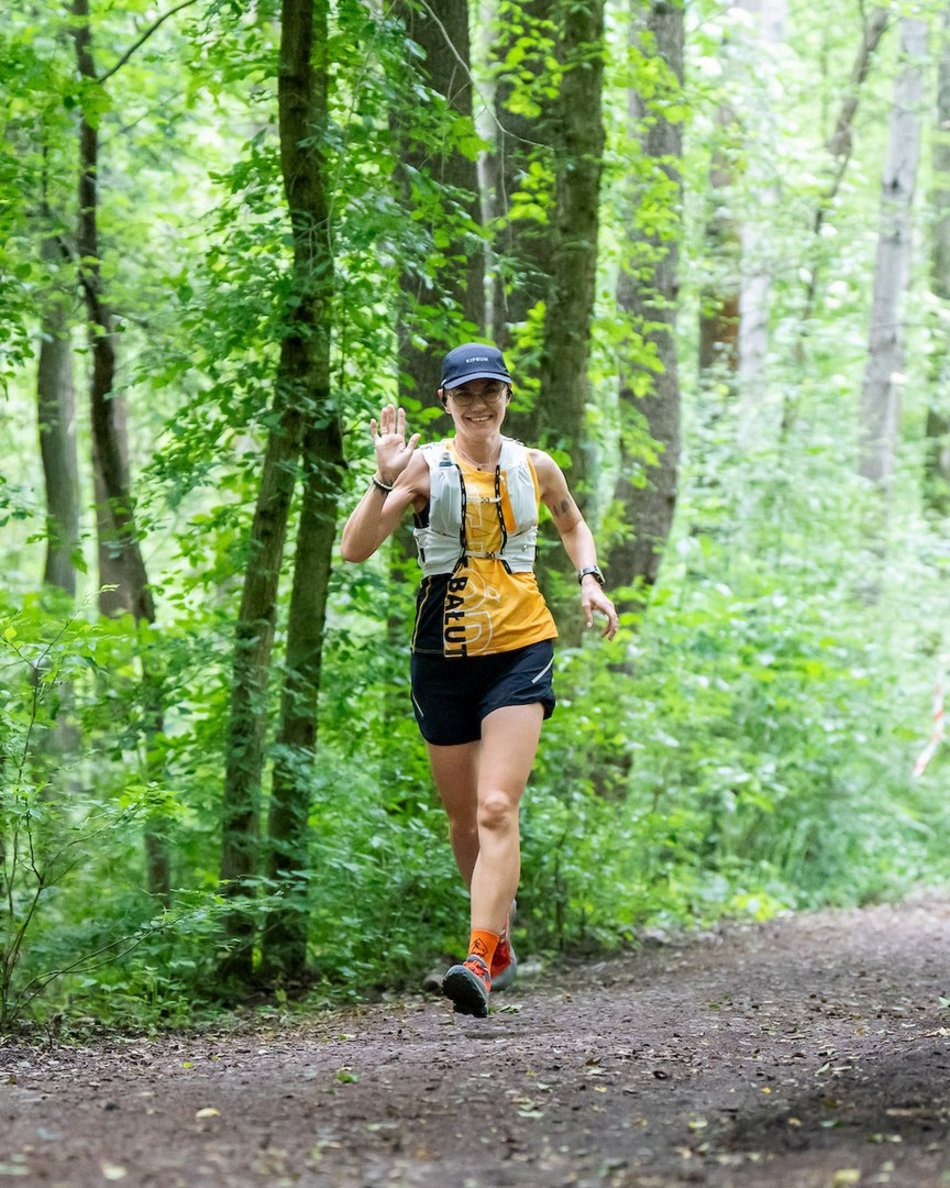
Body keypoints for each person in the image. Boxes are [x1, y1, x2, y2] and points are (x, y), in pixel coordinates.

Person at [340, 343, 618, 1018]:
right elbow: (354, 549)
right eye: (465, 394)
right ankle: (499, 947)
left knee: (497, 807)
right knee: (464, 818)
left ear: (507, 396)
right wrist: (383, 481)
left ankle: (477, 958)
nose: (479, 404)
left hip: (522, 646)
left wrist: (589, 579)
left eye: (490, 391)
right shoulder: (421, 468)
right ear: (446, 402)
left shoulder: (535, 465)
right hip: (441, 655)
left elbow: (572, 523)